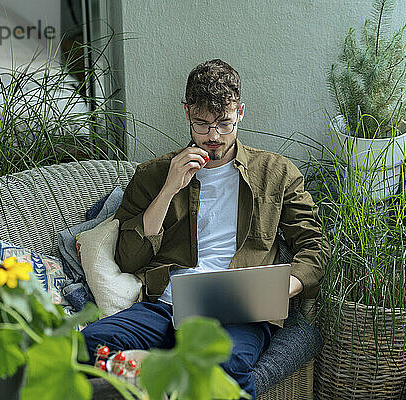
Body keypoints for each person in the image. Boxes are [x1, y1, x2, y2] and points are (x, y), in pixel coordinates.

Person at [82, 59, 329, 399]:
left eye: (224, 124)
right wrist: (170, 187)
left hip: (237, 310)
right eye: (202, 124)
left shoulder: (277, 173)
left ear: (240, 112)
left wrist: (277, 290)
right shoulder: (153, 174)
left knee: (223, 372)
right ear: (187, 113)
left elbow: (314, 247)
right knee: (88, 345)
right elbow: (128, 258)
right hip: (166, 305)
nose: (213, 137)